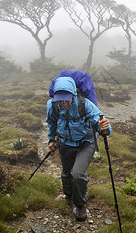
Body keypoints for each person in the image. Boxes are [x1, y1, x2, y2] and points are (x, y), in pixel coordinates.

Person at [46, 76, 111, 221]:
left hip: (86, 144)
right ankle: (68, 195)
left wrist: (104, 127)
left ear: (73, 95)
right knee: (66, 174)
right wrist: (51, 139)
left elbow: (99, 120)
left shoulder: (85, 104)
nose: (63, 103)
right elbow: (51, 123)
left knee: (77, 174)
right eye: (60, 99)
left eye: (66, 99)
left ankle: (80, 204)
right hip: (65, 143)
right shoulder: (52, 105)